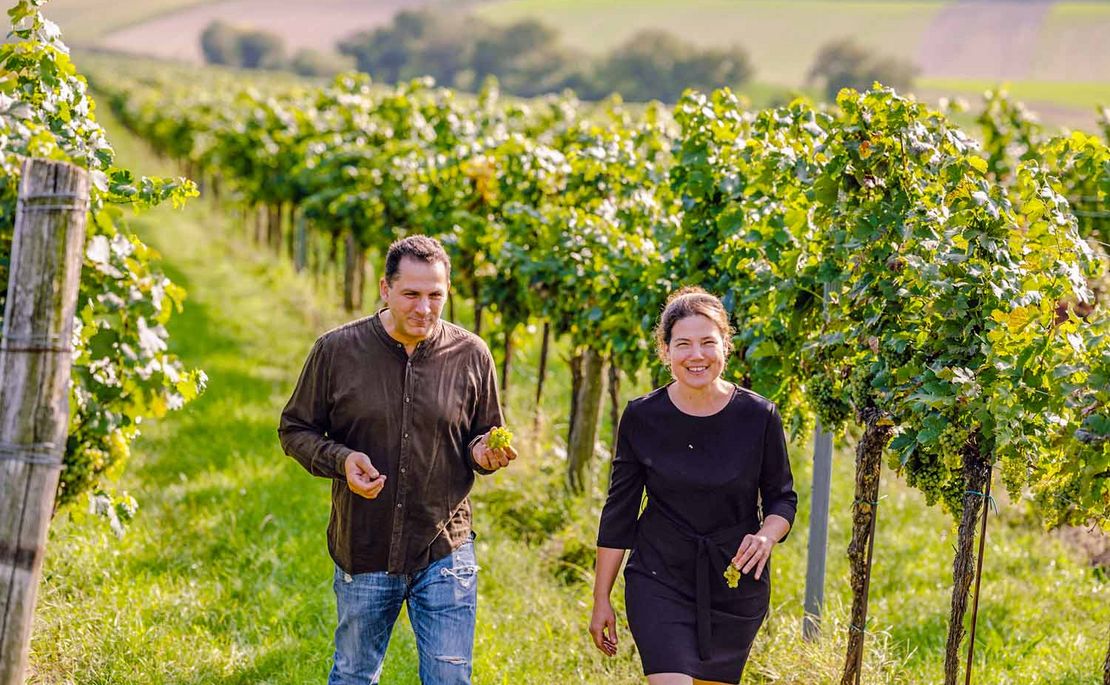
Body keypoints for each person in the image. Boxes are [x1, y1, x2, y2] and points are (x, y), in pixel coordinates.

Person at [278, 235, 517, 685]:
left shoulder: (471, 355)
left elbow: (480, 437)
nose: (424, 308)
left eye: (435, 296)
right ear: (385, 289)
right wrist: (342, 459)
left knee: (450, 679)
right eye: (411, 294)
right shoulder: (336, 351)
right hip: (365, 545)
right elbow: (295, 429)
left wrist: (485, 453)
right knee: (354, 675)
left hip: (446, 544)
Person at [589, 287, 797, 685]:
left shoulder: (759, 416)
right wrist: (602, 599)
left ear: (725, 346)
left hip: (734, 582)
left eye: (708, 342)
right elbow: (619, 513)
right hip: (658, 577)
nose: (696, 355)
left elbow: (781, 497)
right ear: (666, 351)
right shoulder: (642, 417)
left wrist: (767, 536)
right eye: (683, 344)